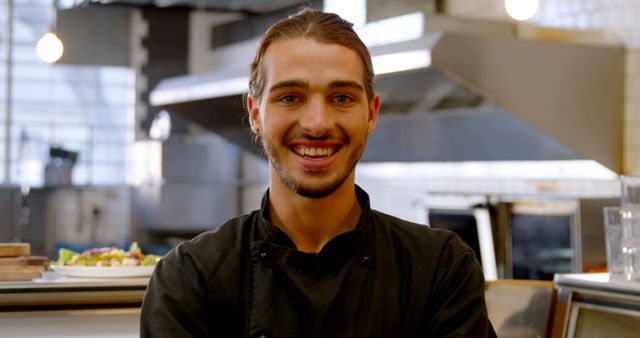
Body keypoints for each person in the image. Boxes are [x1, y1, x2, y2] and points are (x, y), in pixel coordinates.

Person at [141, 8, 496, 338]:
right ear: (255, 113)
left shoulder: (439, 269)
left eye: (341, 98)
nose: (317, 124)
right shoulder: (191, 278)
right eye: (290, 97)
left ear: (371, 113)